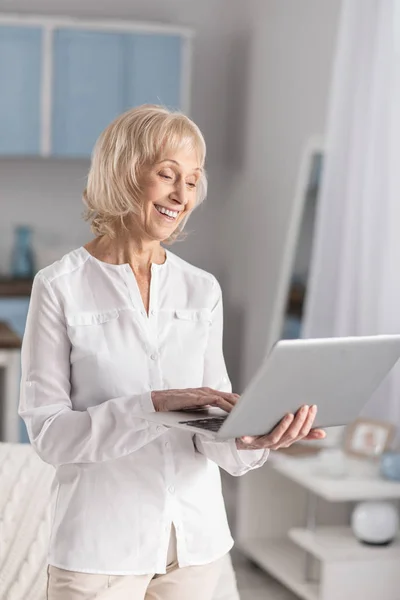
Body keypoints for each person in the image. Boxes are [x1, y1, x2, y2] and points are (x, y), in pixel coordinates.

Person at [19, 105, 325, 600]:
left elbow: (210, 432)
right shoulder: (58, 286)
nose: (182, 195)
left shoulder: (201, 289)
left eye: (193, 180)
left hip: (196, 546)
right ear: (123, 173)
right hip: (101, 550)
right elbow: (51, 437)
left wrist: (253, 439)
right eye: (167, 175)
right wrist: (151, 405)